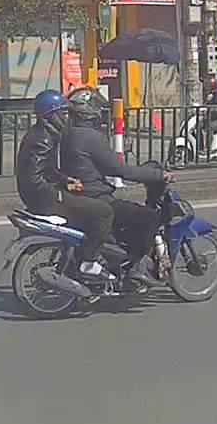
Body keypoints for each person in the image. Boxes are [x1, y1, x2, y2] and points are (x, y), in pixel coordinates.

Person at [60, 87, 173, 287]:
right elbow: (120, 170)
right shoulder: (91, 138)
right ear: (91, 112)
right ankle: (136, 267)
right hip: (96, 197)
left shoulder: (67, 134)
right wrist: (156, 175)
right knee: (150, 217)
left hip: (77, 196)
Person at [16, 89, 116, 298]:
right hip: (45, 199)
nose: (66, 117)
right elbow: (33, 178)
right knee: (103, 211)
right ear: (50, 115)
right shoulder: (41, 139)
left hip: (44, 195)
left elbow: (47, 170)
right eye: (62, 113)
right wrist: (58, 194)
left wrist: (65, 181)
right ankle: (89, 263)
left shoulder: (45, 135)